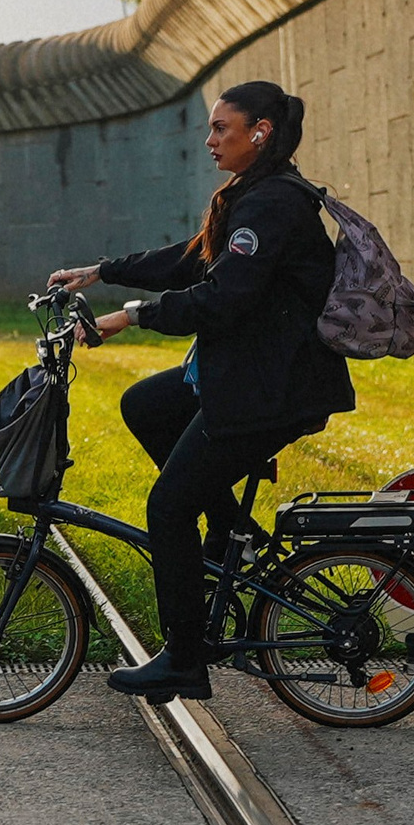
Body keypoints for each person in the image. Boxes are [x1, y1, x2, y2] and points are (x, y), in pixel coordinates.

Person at [48, 80, 353, 701]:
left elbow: (221, 298)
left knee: (168, 507)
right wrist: (103, 272)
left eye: (221, 128)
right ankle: (229, 529)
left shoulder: (273, 205)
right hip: (252, 376)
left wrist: (130, 316)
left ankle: (185, 660)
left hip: (273, 391)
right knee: (145, 404)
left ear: (260, 133)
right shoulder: (254, 193)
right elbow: (194, 260)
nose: (210, 140)